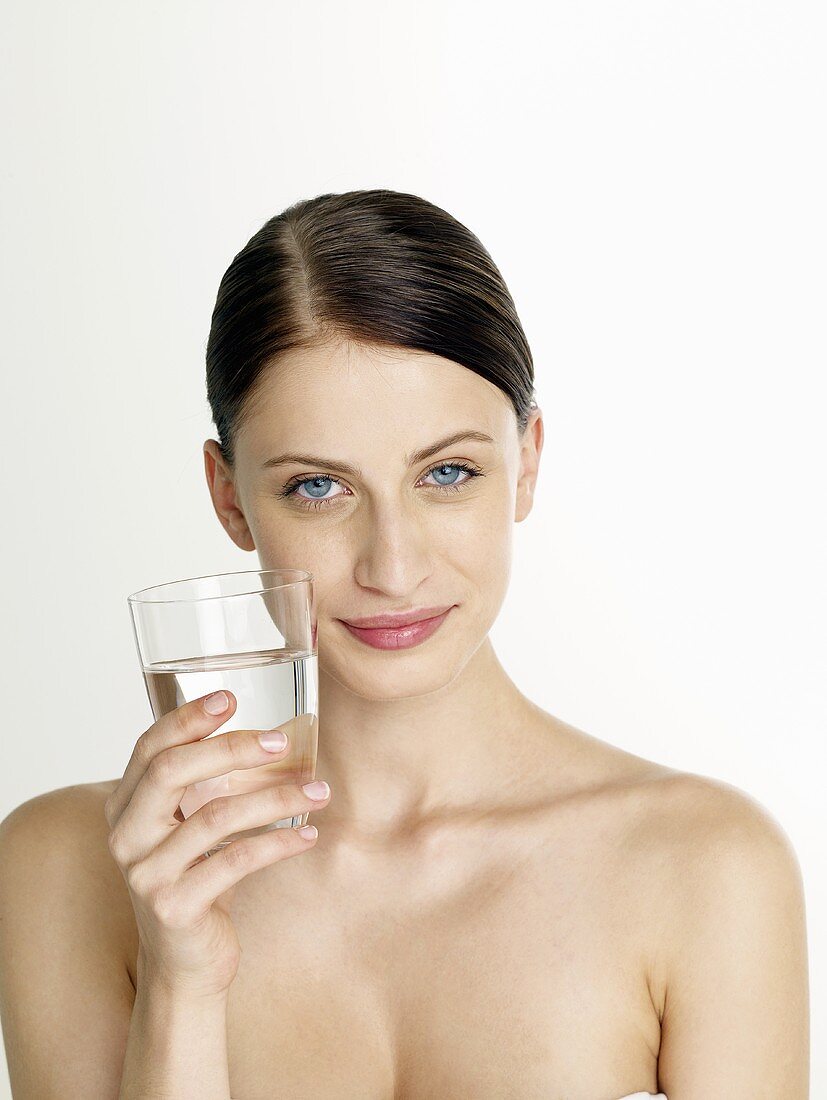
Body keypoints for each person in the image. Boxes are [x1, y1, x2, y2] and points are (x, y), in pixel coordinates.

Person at [0, 189, 809, 1098]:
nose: (392, 566)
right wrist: (184, 987)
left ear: (527, 464)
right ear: (229, 497)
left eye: (448, 472)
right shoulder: (67, 868)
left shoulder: (705, 869)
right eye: (317, 488)